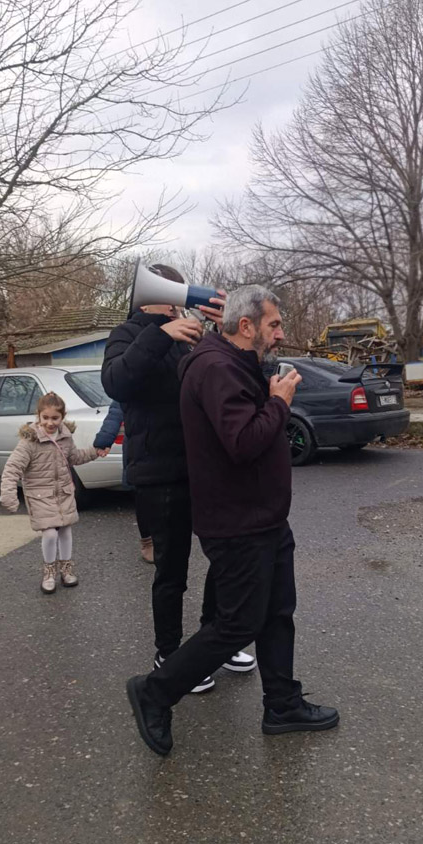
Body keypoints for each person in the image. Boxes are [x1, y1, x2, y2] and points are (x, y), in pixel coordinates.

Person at [126, 284, 339, 756]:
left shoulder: (234, 362)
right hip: (238, 521)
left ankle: (282, 704)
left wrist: (268, 389)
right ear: (246, 326)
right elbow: (242, 442)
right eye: (274, 325)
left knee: (277, 614)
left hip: (264, 517)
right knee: (237, 624)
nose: (280, 334)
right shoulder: (216, 367)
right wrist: (279, 401)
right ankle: (155, 691)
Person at [101, 264, 256, 693]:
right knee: (171, 571)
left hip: (202, 469)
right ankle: (169, 653)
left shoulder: (190, 336)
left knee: (223, 558)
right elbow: (116, 382)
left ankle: (212, 643)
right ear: (151, 297)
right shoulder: (127, 334)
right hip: (159, 473)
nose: (177, 303)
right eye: (171, 293)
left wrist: (226, 331)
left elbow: (222, 380)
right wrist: (160, 335)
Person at [0, 391, 105, 593]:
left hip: (63, 493)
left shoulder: (65, 437)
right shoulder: (30, 441)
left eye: (55, 418)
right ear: (38, 416)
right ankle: (49, 571)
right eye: (45, 417)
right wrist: (8, 494)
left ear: (62, 417)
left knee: (65, 530)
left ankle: (66, 568)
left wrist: (95, 452)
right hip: (40, 495)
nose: (50, 422)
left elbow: (75, 457)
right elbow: (12, 468)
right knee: (49, 533)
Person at [92, 399, 154, 563]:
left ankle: (165, 539)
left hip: (166, 447)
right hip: (138, 449)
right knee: (142, 498)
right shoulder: (130, 387)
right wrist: (104, 440)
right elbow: (115, 413)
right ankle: (147, 542)